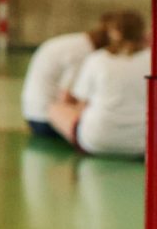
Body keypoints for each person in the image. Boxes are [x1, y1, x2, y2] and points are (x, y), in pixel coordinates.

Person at [47, 9, 148, 157]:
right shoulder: (153, 60)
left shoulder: (96, 59)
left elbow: (82, 104)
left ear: (113, 32)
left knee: (55, 109)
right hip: (141, 143)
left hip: (96, 142)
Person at [21, 21, 99, 142]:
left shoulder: (74, 42)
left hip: (32, 115)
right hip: (46, 121)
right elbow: (66, 97)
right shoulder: (83, 52)